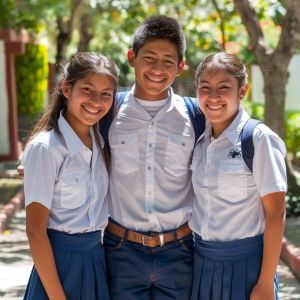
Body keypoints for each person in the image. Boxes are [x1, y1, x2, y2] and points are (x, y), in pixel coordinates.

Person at [102, 16, 204, 300]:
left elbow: (236, 133)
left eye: (169, 61)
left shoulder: (197, 115)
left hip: (180, 251)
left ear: (181, 66)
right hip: (120, 250)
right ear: (132, 58)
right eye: (150, 57)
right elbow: (67, 130)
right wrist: (36, 155)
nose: (158, 69)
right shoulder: (108, 110)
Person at [189, 52, 286, 300]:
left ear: (242, 91)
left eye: (224, 87)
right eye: (205, 87)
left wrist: (265, 284)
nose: (213, 96)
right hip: (202, 263)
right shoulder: (199, 141)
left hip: (246, 265)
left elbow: (276, 214)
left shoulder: (258, 139)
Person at [22, 52, 119, 300]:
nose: (96, 100)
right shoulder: (46, 148)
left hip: (95, 261)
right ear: (66, 89)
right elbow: (35, 231)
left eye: (106, 93)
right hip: (58, 266)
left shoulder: (101, 141)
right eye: (87, 89)